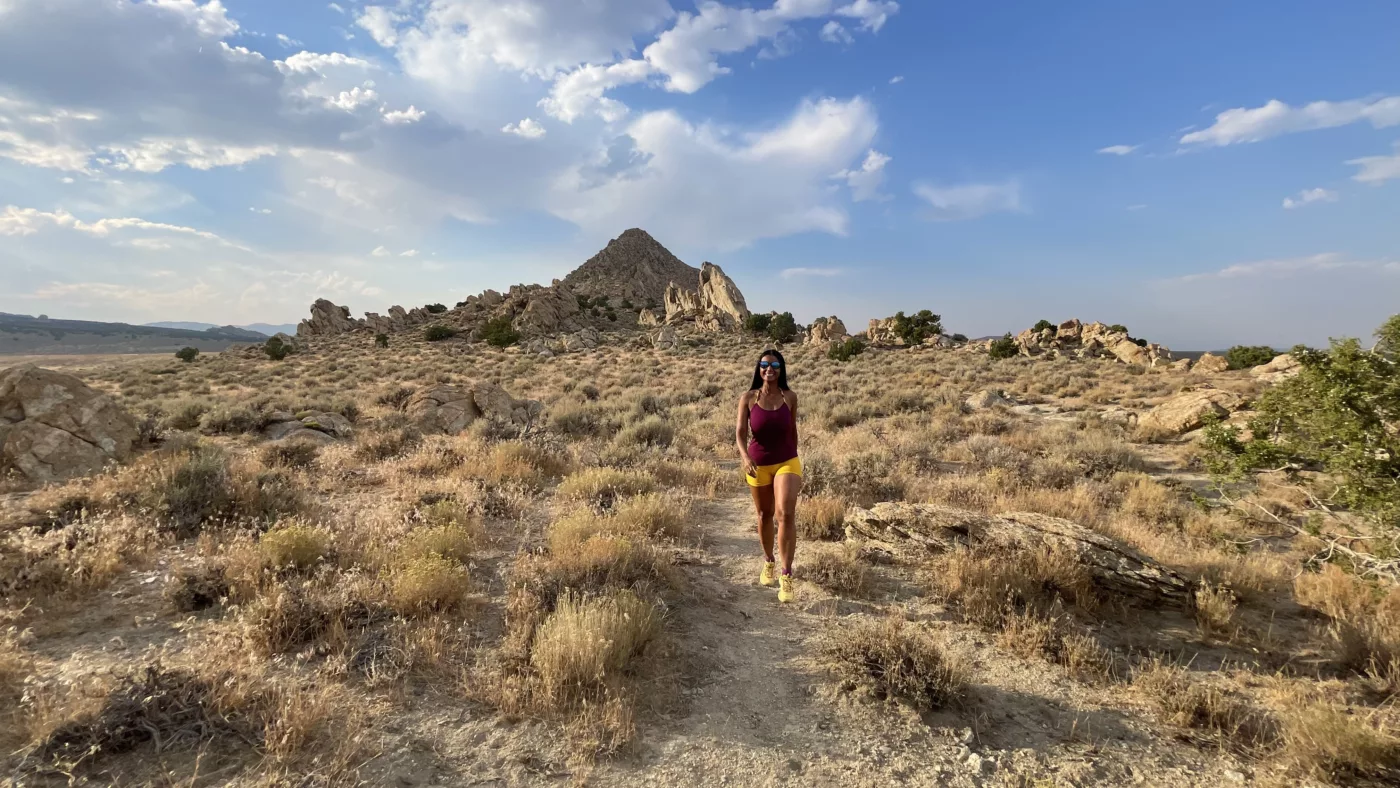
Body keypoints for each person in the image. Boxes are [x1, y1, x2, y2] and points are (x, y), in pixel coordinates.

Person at [735, 348, 802, 603]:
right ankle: (769, 561)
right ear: (758, 368)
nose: (769, 369)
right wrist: (744, 457)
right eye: (764, 364)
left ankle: (786, 575)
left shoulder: (790, 397)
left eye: (774, 365)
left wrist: (795, 461)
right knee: (765, 515)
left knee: (786, 513)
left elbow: (793, 430)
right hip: (758, 463)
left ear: (781, 369)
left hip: (786, 461)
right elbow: (740, 433)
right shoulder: (748, 398)